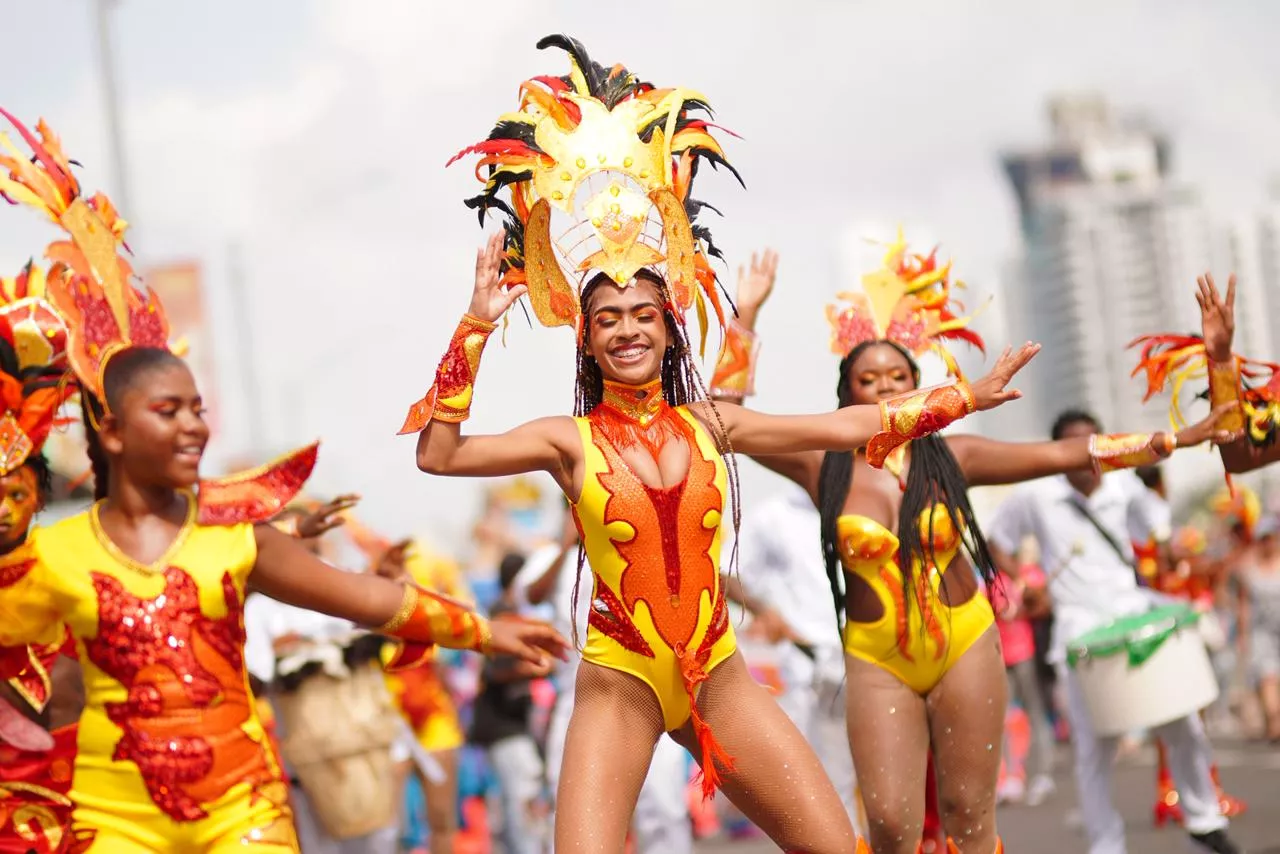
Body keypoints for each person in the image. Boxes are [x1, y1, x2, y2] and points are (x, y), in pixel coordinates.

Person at [402, 35, 1037, 854]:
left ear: (670, 329)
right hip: (620, 686)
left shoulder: (711, 424)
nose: (627, 330)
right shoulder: (566, 441)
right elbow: (440, 455)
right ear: (586, 340)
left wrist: (961, 399)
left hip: (720, 678)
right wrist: (475, 326)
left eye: (644, 315)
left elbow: (847, 426)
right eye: (607, 320)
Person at [0, 110, 567, 853]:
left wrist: (486, 631)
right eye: (168, 412)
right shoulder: (50, 557)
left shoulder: (236, 540)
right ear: (110, 432)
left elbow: (368, 598)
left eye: (198, 410)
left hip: (245, 811)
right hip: (113, 821)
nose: (194, 427)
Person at [710, 238, 1228, 854]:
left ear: (921, 389)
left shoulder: (956, 457)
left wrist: (1174, 440)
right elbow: (723, 421)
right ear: (846, 398)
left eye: (898, 378)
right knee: (890, 827)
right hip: (877, 659)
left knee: (968, 819)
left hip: (965, 645)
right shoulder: (821, 466)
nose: (885, 389)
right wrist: (745, 318)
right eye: (868, 380)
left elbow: (1067, 453)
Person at [986, 409, 1240, 854]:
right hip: (1080, 633)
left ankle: (1205, 824)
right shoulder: (1035, 495)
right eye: (1075, 447)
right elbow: (997, 542)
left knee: (1183, 723)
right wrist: (1025, 582)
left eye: (1095, 444)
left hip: (1136, 617)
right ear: (1058, 452)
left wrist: (1165, 546)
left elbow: (1155, 523)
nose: (1087, 456)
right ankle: (1106, 845)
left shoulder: (1123, 483)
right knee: (1093, 748)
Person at [516, 504, 695, 854]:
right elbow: (528, 595)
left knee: (662, 807)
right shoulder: (553, 556)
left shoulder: (635, 542)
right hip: (580, 700)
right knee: (574, 811)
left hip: (651, 696)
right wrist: (567, 544)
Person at [0, 259, 81, 853]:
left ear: (40, 497)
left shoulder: (72, 558)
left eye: (16, 494)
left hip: (81, 786)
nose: (3, 510)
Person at [728, 482, 863, 834]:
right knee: (823, 780)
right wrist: (764, 611)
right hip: (806, 663)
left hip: (866, 658)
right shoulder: (774, 515)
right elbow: (727, 572)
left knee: (880, 783)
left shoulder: (861, 501)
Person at [470, 553, 547, 854]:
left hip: (509, 725)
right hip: (503, 726)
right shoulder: (502, 616)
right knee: (522, 799)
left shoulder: (507, 613)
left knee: (513, 801)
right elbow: (495, 670)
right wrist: (539, 667)